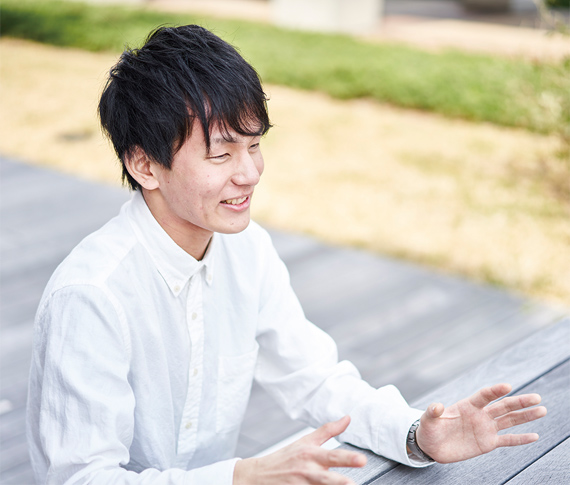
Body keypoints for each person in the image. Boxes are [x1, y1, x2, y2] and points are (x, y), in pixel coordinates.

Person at [26, 24, 546, 485]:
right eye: (220, 153)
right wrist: (240, 478)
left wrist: (416, 436)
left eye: (254, 146)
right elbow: (83, 476)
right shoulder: (91, 295)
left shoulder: (246, 249)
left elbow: (314, 379)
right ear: (144, 165)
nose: (249, 173)